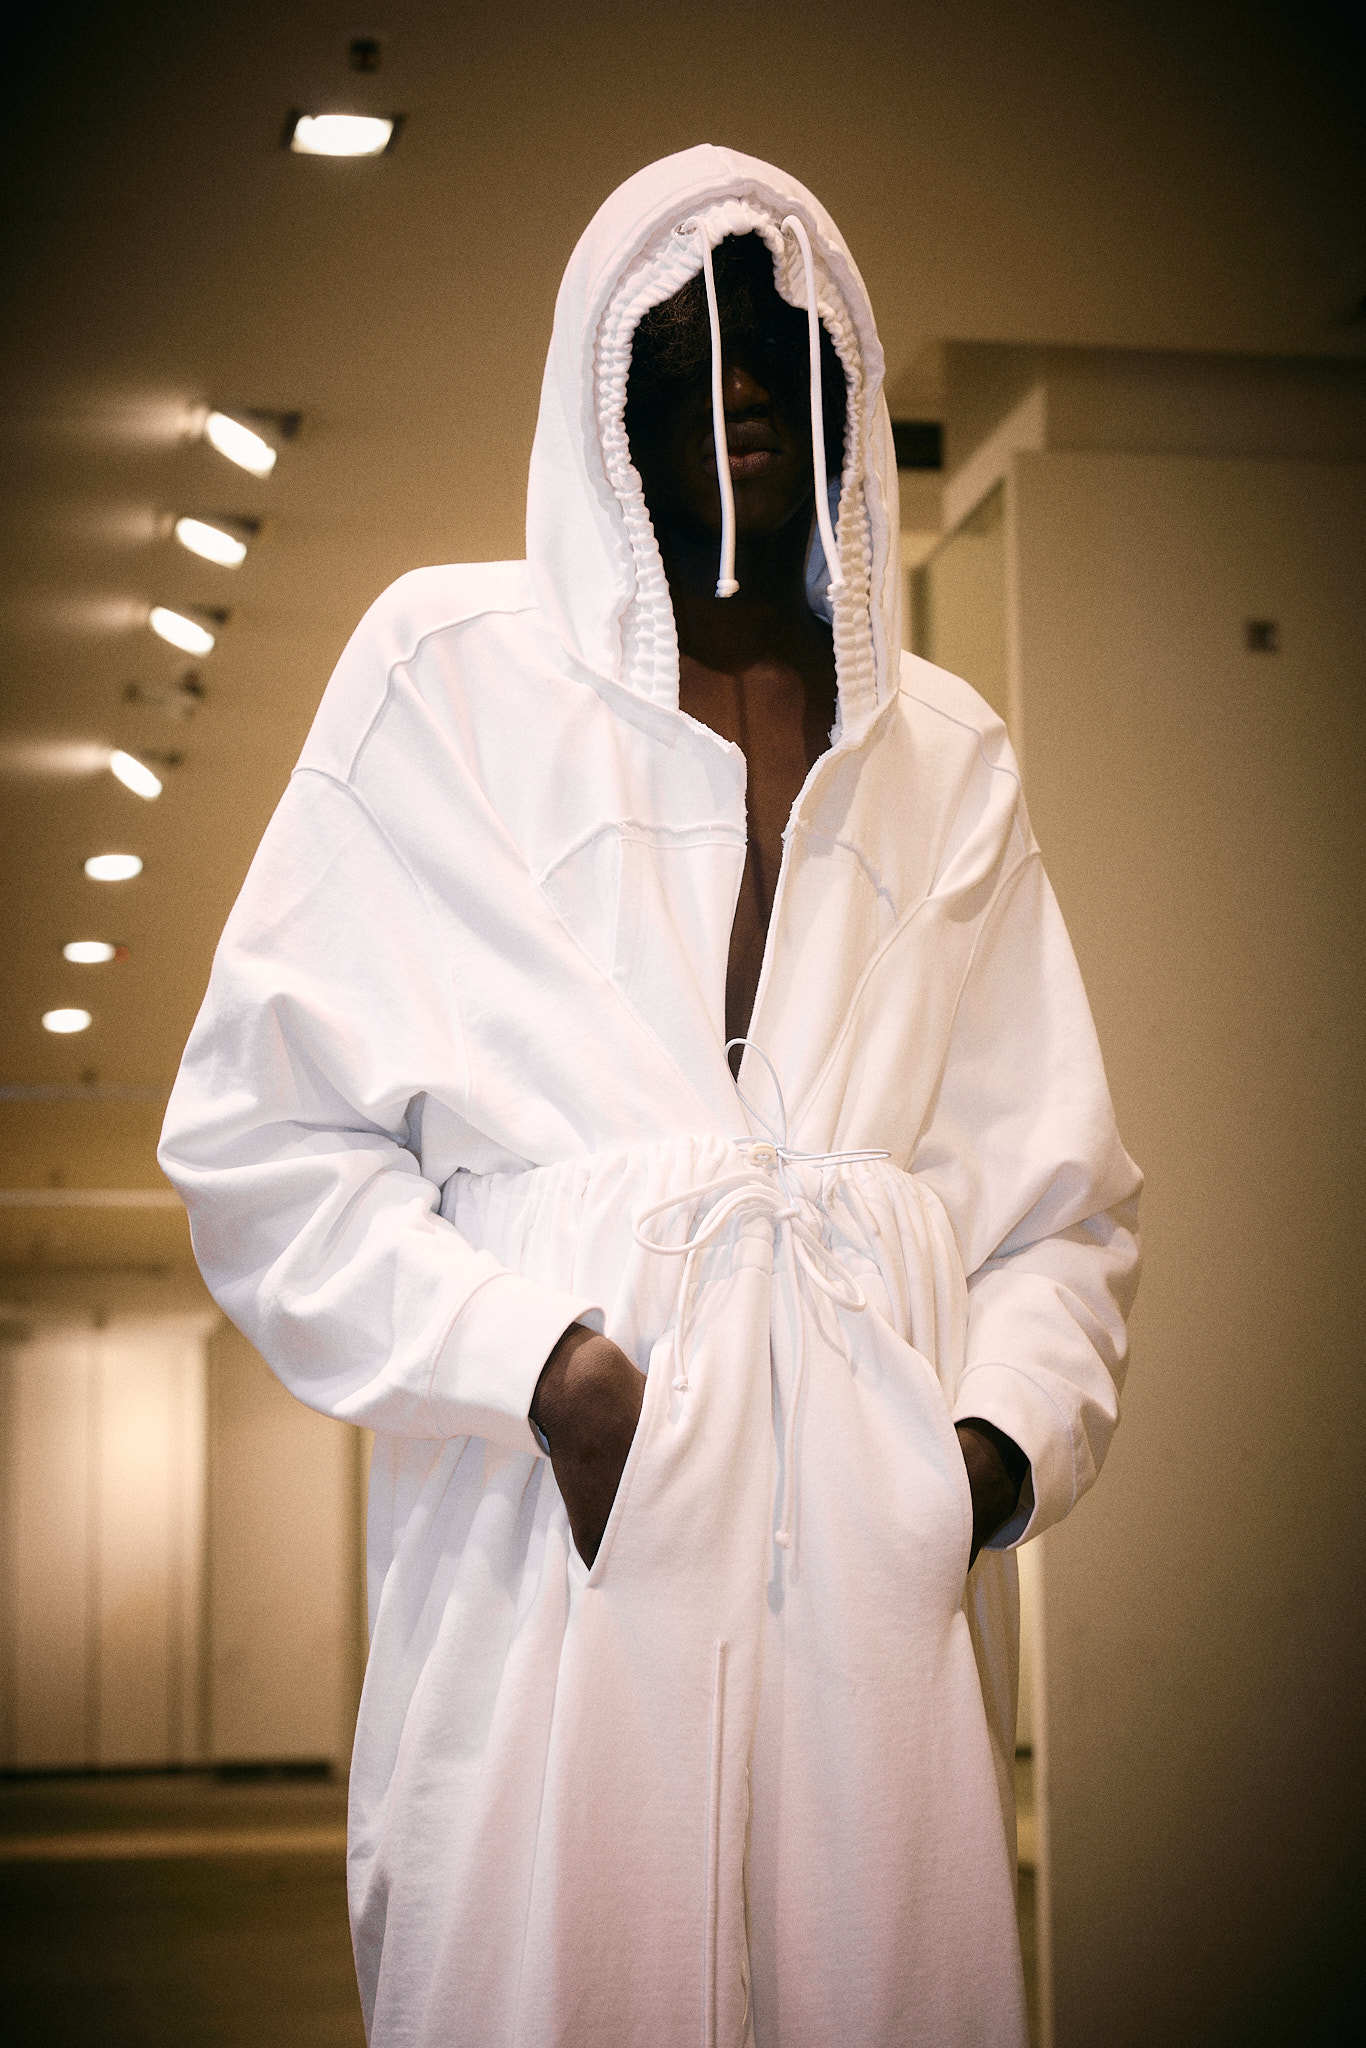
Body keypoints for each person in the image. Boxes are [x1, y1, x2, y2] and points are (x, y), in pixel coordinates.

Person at [160, 144, 1141, 2048]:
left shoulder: (946, 752)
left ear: (848, 371)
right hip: (550, 1555)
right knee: (544, 1984)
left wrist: (974, 1464)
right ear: (590, 387)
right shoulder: (444, 676)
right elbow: (262, 1143)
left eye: (777, 335)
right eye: (675, 344)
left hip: (872, 1592)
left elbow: (1062, 1209)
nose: (735, 383)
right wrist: (550, 1372)